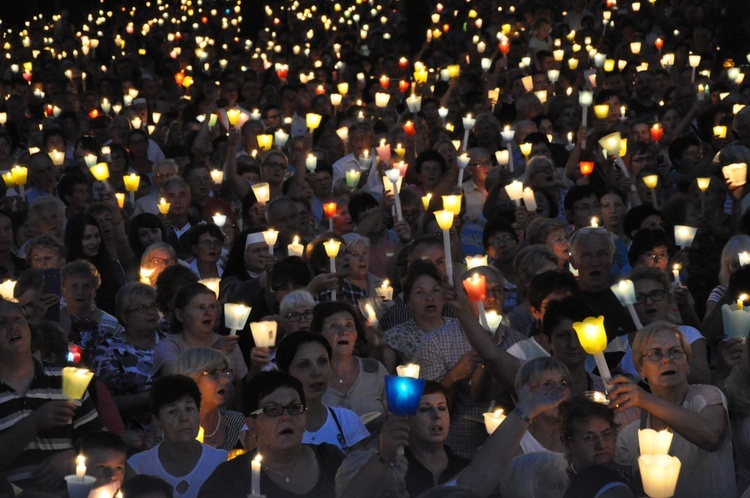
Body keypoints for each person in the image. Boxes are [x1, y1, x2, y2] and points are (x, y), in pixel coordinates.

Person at [609, 321, 736, 497]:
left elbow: (712, 437)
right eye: (655, 353)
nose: (666, 359)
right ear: (641, 369)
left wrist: (646, 399)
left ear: (688, 364)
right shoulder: (630, 434)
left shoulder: (705, 397)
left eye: (675, 352)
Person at [0, 298, 102, 492]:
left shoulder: (67, 379)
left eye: (18, 319)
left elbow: (103, 446)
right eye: (1, 323)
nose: (13, 327)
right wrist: (34, 423)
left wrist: (72, 457)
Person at [198, 371, 345, 497]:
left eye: (294, 408)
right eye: (272, 410)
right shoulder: (229, 480)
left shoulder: (331, 459)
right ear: (252, 425)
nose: (286, 417)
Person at [126, 375, 228, 498]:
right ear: (157, 421)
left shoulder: (222, 463)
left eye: (189, 409)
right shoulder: (138, 467)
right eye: (172, 412)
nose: (184, 418)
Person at [275, 331, 369, 454]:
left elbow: (361, 470)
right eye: (303, 365)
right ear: (285, 373)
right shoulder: (271, 425)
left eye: (322, 361)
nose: (316, 372)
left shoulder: (347, 420)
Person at [91, 282, 164, 433]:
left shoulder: (168, 340)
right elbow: (107, 403)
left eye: (153, 306)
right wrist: (152, 396)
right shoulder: (108, 349)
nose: (151, 312)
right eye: (142, 308)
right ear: (125, 316)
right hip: (133, 434)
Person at [153, 282, 248, 396]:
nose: (208, 313)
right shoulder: (168, 347)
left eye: (212, 307)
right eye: (200, 307)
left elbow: (239, 389)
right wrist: (215, 354)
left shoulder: (229, 346)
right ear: (180, 315)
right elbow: (177, 384)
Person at [312, 302, 388, 432]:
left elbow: (393, 420)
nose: (344, 332)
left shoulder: (375, 370)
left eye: (349, 325)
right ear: (320, 335)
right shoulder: (312, 378)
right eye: (334, 326)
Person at [174, 348, 247, 451]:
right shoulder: (171, 431)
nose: (225, 381)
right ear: (190, 378)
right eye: (214, 374)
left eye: (226, 373)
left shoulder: (237, 423)